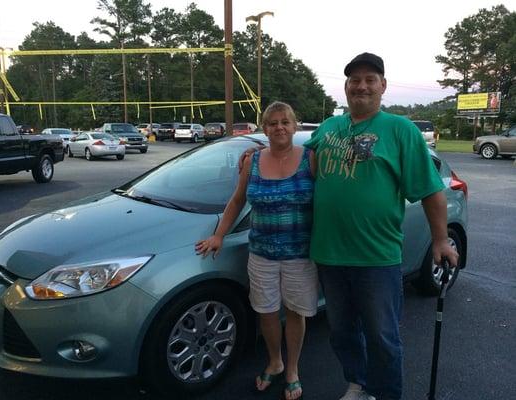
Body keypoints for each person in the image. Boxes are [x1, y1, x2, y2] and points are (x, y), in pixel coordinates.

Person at [303, 53, 459, 400]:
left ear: (383, 86)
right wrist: (258, 156)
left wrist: (440, 240)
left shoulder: (400, 130)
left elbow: (431, 191)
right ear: (345, 87)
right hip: (329, 254)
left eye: (369, 79)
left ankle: (387, 394)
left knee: (382, 337)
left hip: (376, 258)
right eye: (354, 80)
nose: (361, 86)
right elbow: (304, 160)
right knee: (341, 333)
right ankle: (358, 384)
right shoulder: (329, 128)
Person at [196, 101, 318, 400]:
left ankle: (292, 369)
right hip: (261, 253)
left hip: (299, 254)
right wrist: (218, 236)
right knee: (266, 313)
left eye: (285, 122)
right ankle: (274, 362)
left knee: (294, 313)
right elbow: (237, 201)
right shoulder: (252, 161)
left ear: (295, 125)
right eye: (273, 123)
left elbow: (333, 196)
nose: (279, 127)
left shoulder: (311, 158)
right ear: (264, 128)